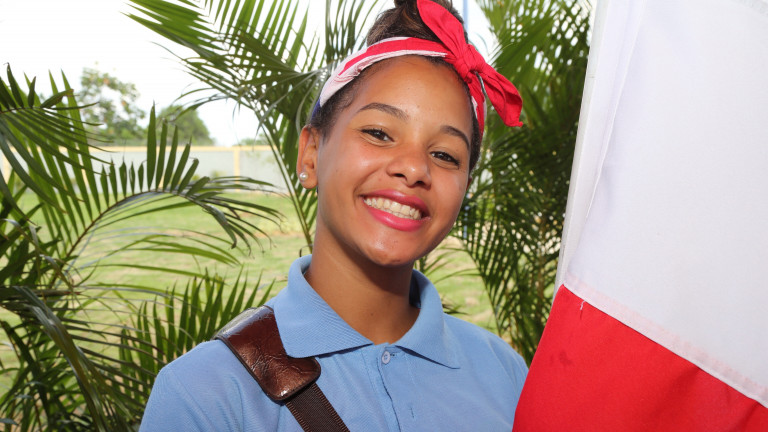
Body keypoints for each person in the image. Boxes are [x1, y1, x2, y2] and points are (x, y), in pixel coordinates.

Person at [140, 0, 527, 430]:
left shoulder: (506, 374)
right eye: (378, 133)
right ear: (310, 154)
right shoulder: (205, 395)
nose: (414, 168)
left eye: (445, 155)